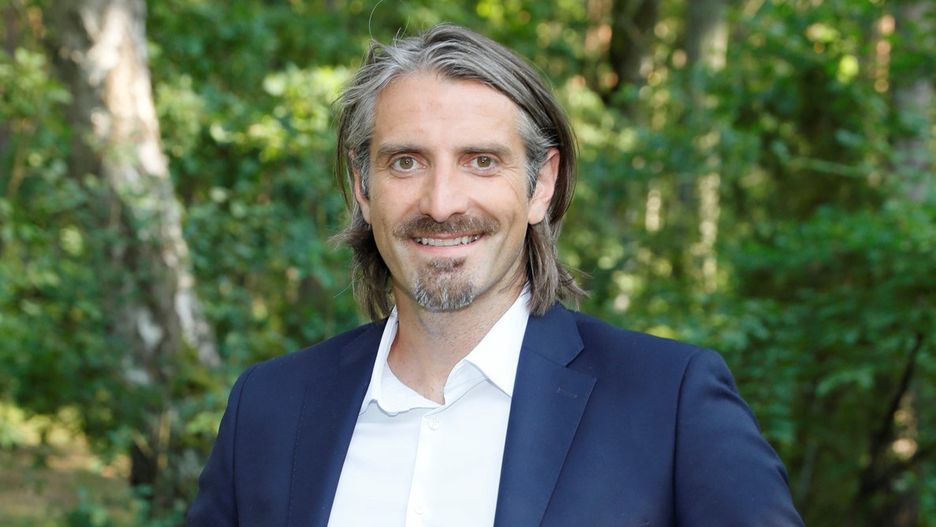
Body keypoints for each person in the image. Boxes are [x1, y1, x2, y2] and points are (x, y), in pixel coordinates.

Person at [189, 24, 804, 526]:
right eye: (406, 162)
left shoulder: (669, 403)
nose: (442, 202)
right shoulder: (268, 409)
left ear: (542, 185)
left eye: (481, 161)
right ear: (362, 187)